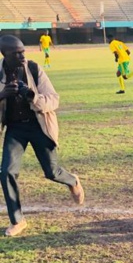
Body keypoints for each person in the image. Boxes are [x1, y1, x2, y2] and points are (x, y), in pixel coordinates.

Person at [0, 35, 84, 236]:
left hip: (39, 126)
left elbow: (53, 100)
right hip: (15, 129)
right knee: (6, 173)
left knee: (51, 172)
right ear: (5, 54)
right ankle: (18, 220)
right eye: (16, 53)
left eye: (23, 51)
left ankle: (73, 181)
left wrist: (32, 96)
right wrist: (2, 95)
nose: (22, 56)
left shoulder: (35, 69)